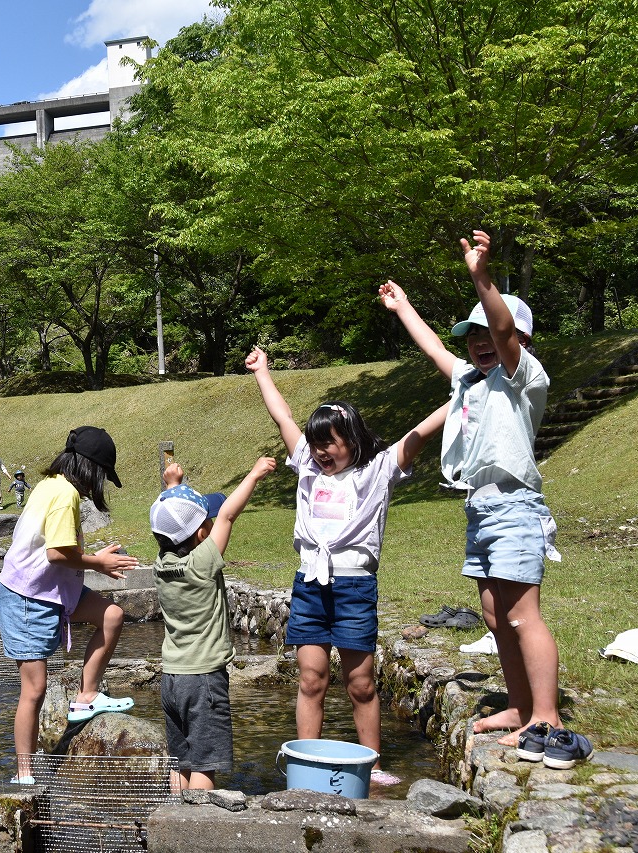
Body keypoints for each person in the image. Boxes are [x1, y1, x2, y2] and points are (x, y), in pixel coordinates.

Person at [379, 229, 565, 749]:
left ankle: (547, 717)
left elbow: (503, 326)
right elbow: (436, 348)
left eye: (488, 333)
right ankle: (519, 704)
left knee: (522, 613)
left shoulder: (525, 378)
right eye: (472, 335)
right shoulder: (470, 382)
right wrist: (404, 308)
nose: (480, 340)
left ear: (518, 341)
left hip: (514, 504)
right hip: (480, 507)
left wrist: (481, 276)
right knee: (492, 614)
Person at [246, 347, 446, 785]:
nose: (319, 453)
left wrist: (464, 395)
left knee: (361, 683)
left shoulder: (375, 470)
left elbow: (419, 435)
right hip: (309, 585)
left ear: (351, 441)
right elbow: (283, 419)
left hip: (355, 587)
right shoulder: (308, 470)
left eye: (329, 444)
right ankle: (306, 763)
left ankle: (371, 765)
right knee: (312, 679)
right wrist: (262, 371)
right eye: (315, 446)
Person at [0, 426, 140, 784]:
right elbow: (57, 553)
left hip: (54, 590)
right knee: (35, 689)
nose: (99, 484)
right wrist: (98, 563)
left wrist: (92, 558)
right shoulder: (64, 494)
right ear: (90, 468)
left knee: (112, 615)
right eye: (102, 475)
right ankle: (23, 773)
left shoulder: (51, 484)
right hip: (27, 596)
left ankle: (87, 695)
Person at [150, 456, 277, 791]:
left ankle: (174, 826)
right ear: (202, 532)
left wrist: (172, 486)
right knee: (206, 764)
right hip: (203, 679)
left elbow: (171, 520)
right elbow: (229, 514)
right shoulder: (202, 564)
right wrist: (253, 473)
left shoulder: (161, 564)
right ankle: (196, 830)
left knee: (181, 761)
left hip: (172, 679)